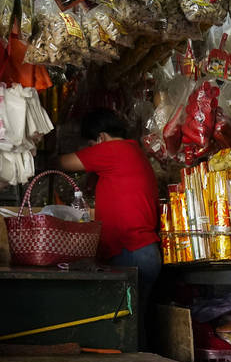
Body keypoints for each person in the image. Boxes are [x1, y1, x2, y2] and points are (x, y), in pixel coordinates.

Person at [59, 107, 162, 306]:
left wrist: (36, 155)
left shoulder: (113, 150)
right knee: (134, 324)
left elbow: (64, 162)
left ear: (101, 137)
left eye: (91, 146)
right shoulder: (134, 152)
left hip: (131, 252)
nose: (92, 151)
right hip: (144, 251)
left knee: (124, 325)